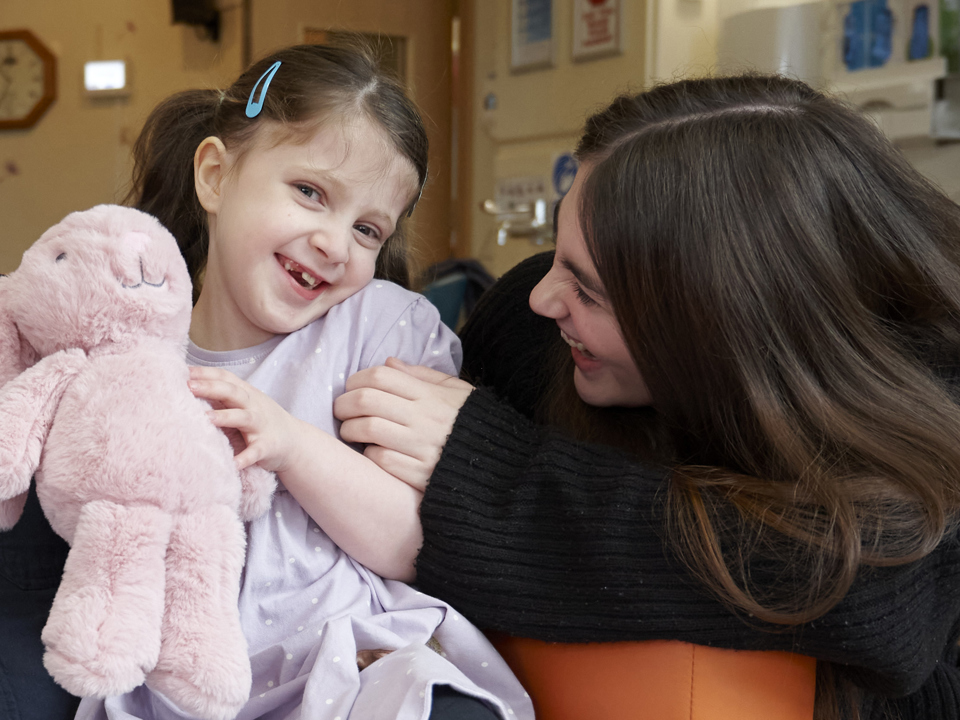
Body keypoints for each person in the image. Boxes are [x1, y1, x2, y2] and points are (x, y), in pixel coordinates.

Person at [333, 74, 960, 719]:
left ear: (727, 327)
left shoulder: (931, 394)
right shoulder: (534, 331)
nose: (544, 298)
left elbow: (877, 593)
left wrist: (490, 472)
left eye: (590, 291)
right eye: (557, 254)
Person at [60, 44, 532, 720]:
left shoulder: (381, 329)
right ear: (216, 177)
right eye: (310, 193)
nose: (334, 244)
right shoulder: (134, 349)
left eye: (367, 229)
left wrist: (290, 443)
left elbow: (416, 544)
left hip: (355, 665)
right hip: (180, 687)